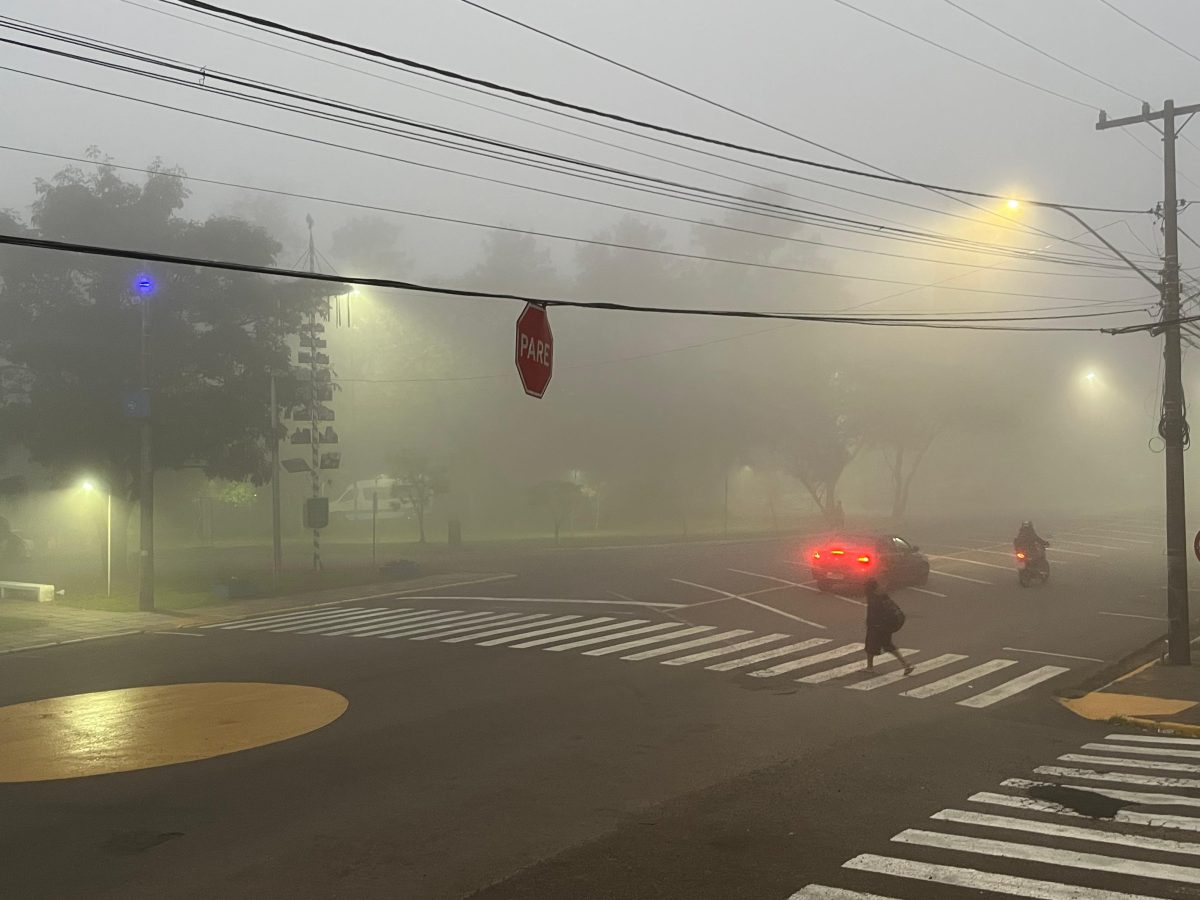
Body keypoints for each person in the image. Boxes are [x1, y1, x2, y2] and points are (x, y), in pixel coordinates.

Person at [863, 578, 913, 674]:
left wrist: (869, 624)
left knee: (870, 647)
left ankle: (870, 667)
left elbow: (873, 614)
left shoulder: (873, 598)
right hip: (886, 626)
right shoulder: (882, 595)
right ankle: (906, 663)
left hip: (877, 626)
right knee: (888, 645)